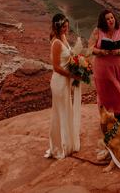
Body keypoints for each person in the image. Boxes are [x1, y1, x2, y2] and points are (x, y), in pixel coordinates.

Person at [90, 9, 120, 123]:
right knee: (104, 93)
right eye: (107, 19)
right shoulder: (97, 32)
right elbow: (90, 48)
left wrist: (118, 51)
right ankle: (105, 119)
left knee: (119, 92)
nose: (110, 20)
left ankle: (118, 120)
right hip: (102, 68)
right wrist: (101, 52)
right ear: (103, 21)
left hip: (119, 67)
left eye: (112, 18)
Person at [45, 12, 81, 159]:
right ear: (58, 27)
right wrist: (72, 75)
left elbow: (70, 56)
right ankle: (61, 146)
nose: (67, 29)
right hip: (59, 81)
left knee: (67, 110)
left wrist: (79, 63)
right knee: (61, 112)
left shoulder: (64, 38)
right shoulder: (56, 43)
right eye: (64, 26)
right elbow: (56, 67)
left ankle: (67, 143)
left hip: (65, 81)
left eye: (67, 26)